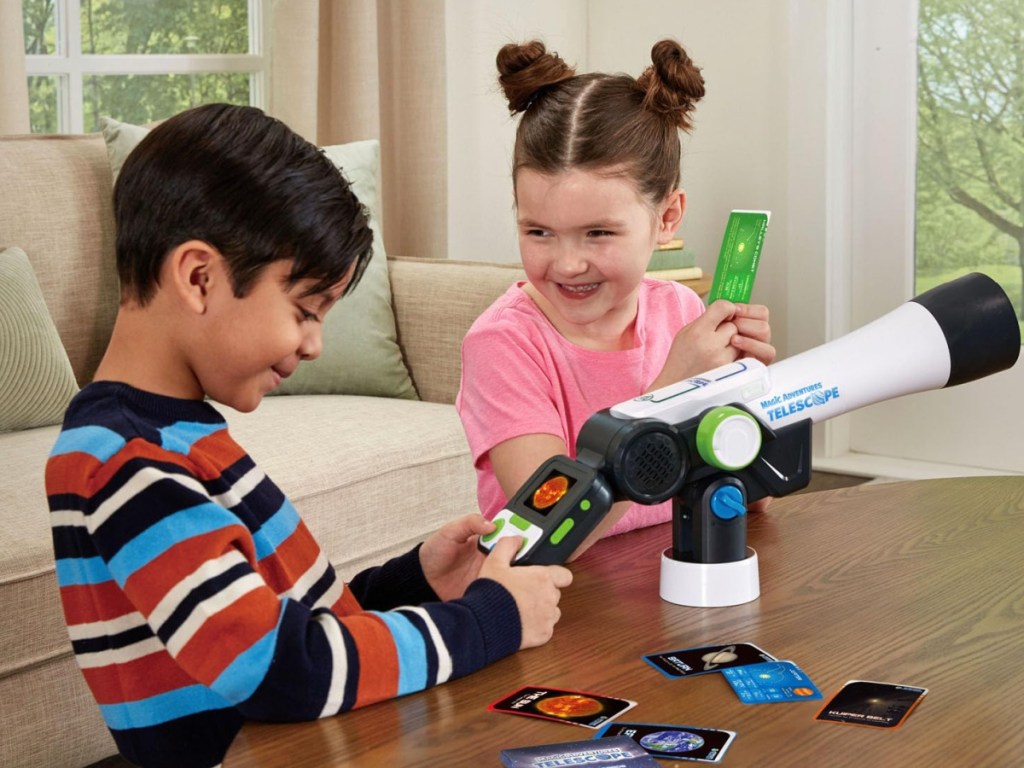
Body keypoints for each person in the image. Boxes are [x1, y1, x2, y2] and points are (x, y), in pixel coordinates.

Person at [45, 103, 571, 768]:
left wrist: (413, 582)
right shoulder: (125, 464)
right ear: (199, 277)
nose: (315, 344)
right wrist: (490, 618)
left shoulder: (177, 431)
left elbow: (275, 617)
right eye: (303, 312)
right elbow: (279, 672)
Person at [457, 40, 776, 557]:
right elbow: (546, 534)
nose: (566, 263)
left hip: (670, 573)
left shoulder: (681, 313)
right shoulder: (504, 343)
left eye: (598, 233)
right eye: (538, 231)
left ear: (667, 218)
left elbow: (741, 495)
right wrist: (673, 389)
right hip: (554, 604)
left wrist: (746, 406)